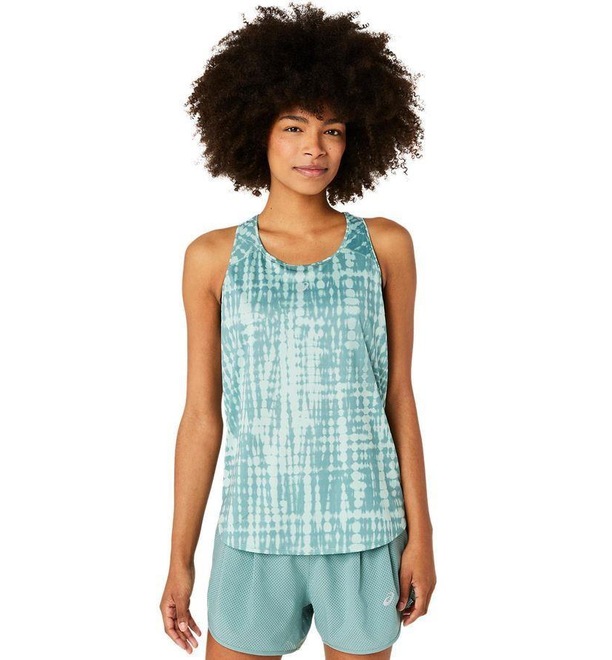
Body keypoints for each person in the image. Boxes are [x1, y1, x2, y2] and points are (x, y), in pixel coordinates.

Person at [160, 3, 436, 657]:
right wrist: (180, 557)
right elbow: (201, 415)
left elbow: (398, 396)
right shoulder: (213, 257)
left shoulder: (385, 247)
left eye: (332, 130)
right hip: (254, 532)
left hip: (365, 530)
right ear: (256, 129)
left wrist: (422, 537)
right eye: (293, 127)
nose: (314, 148)